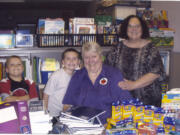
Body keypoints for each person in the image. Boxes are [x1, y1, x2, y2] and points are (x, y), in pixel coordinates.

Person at [63, 42, 133, 125]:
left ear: (101, 57)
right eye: (86, 57)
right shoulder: (77, 76)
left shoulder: (113, 74)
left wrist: (111, 125)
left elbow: (126, 105)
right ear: (82, 59)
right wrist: (71, 120)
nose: (90, 61)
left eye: (94, 56)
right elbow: (67, 105)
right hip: (81, 127)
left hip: (108, 126)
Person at [105, 15, 166, 107]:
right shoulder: (117, 48)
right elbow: (107, 69)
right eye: (130, 26)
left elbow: (156, 72)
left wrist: (133, 85)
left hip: (148, 103)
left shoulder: (151, 48)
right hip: (122, 100)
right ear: (125, 28)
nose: (134, 29)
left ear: (142, 28)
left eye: (137, 26)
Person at [43, 48, 81, 120]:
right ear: (63, 62)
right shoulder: (56, 75)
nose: (71, 61)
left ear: (79, 62)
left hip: (67, 113)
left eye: (74, 59)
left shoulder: (77, 76)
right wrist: (45, 111)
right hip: (54, 114)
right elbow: (46, 94)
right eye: (68, 59)